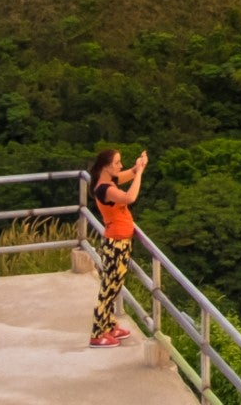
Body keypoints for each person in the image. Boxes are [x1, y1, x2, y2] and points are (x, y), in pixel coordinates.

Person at [85, 147, 147, 349]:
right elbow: (129, 198)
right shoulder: (106, 189)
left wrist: (138, 168)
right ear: (106, 166)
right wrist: (139, 176)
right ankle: (97, 333)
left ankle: (109, 326)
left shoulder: (107, 182)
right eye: (117, 163)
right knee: (108, 288)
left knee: (114, 286)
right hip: (116, 243)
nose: (120, 166)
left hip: (119, 240)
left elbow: (128, 174)